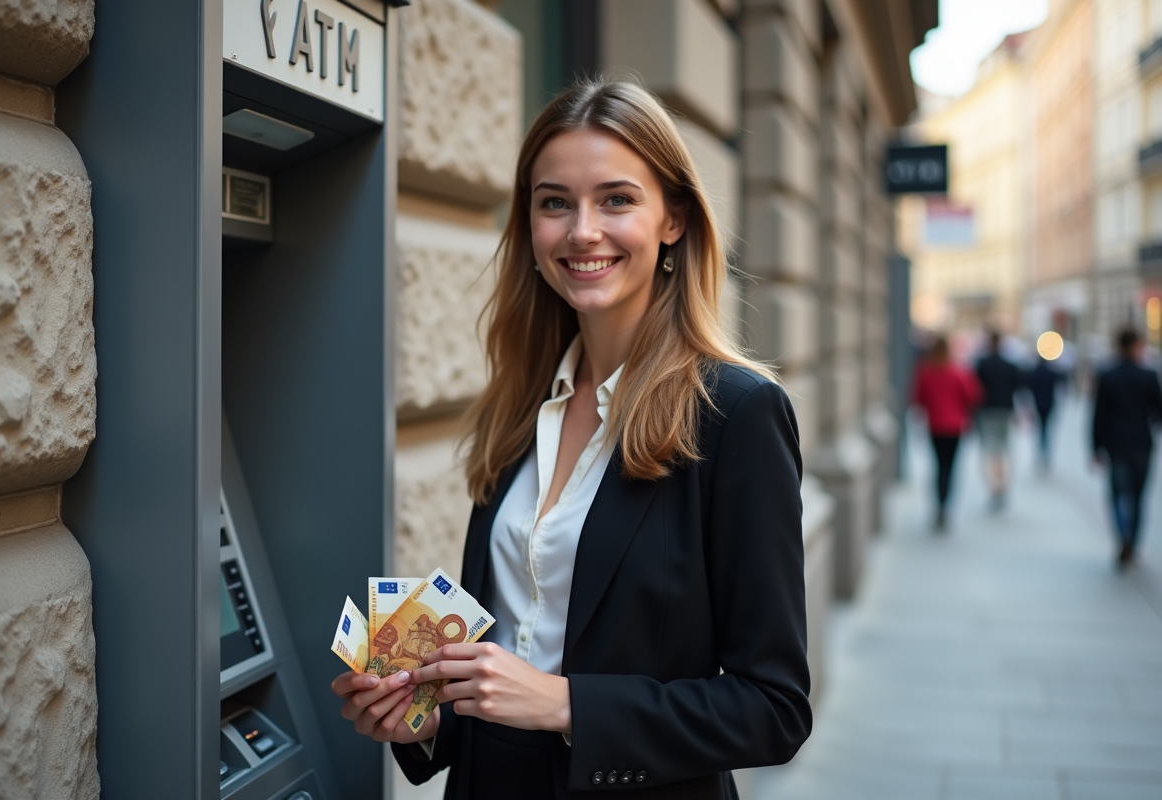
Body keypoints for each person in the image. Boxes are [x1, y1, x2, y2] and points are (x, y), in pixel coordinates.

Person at [330, 79, 811, 798]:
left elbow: (773, 708)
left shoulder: (736, 413)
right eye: (555, 202)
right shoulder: (524, 402)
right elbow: (516, 654)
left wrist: (564, 704)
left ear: (673, 219)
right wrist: (426, 721)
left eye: (616, 199)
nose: (582, 230)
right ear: (530, 225)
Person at [1092, 327, 1162, 569]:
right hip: (1142, 443)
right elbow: (1158, 411)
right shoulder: (1148, 375)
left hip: (1116, 444)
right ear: (1136, 346)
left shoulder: (1107, 375)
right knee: (1138, 496)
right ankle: (1133, 541)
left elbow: (1098, 415)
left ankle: (1123, 535)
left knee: (1117, 494)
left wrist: (1095, 447)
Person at [912, 334, 983, 530]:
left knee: (938, 466)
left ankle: (939, 506)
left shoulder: (926, 371)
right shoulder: (957, 371)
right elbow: (973, 395)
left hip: (935, 426)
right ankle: (945, 507)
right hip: (955, 427)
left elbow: (917, 397)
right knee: (950, 468)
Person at [974, 330, 1022, 509]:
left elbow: (975, 391)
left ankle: (996, 487)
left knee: (991, 451)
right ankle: (1001, 486)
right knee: (1003, 450)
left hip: (987, 412)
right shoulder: (1009, 365)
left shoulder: (982, 364)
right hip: (1005, 411)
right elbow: (1018, 387)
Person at [1024, 353, 1064, 471]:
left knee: (1040, 430)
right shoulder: (1051, 372)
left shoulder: (1034, 372)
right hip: (1049, 404)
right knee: (1046, 429)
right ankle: (1045, 454)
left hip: (1038, 404)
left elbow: (1029, 389)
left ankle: (1040, 453)